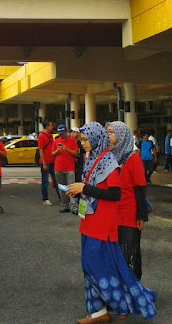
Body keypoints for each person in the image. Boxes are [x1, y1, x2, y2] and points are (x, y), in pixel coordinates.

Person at [67, 122, 157, 323]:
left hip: (108, 220)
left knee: (100, 264)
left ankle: (120, 304)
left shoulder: (110, 160)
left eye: (85, 139)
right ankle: (99, 312)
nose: (82, 143)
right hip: (92, 219)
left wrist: (84, 189)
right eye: (81, 139)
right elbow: (92, 187)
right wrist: (78, 189)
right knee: (95, 265)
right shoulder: (94, 158)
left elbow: (117, 193)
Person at [106, 121, 149, 280]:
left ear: (121, 135)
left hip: (128, 214)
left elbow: (140, 188)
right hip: (111, 213)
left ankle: (132, 290)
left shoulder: (132, 159)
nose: (108, 136)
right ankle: (118, 291)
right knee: (113, 254)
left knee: (128, 253)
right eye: (108, 132)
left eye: (111, 132)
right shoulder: (108, 156)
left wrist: (141, 215)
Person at [52, 124, 79, 214]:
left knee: (71, 188)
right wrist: (58, 150)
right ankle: (64, 205)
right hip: (58, 167)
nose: (62, 135)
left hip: (69, 168)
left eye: (63, 133)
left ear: (67, 132)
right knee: (62, 188)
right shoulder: (56, 141)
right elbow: (53, 154)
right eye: (60, 134)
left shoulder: (72, 141)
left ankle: (74, 206)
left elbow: (75, 154)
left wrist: (66, 149)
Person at [38, 119, 59, 205]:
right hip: (46, 162)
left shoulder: (51, 136)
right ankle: (45, 198)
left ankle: (61, 198)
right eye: (51, 125)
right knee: (45, 181)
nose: (52, 127)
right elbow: (41, 150)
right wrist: (44, 162)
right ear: (47, 126)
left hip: (52, 161)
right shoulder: (42, 136)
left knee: (56, 180)